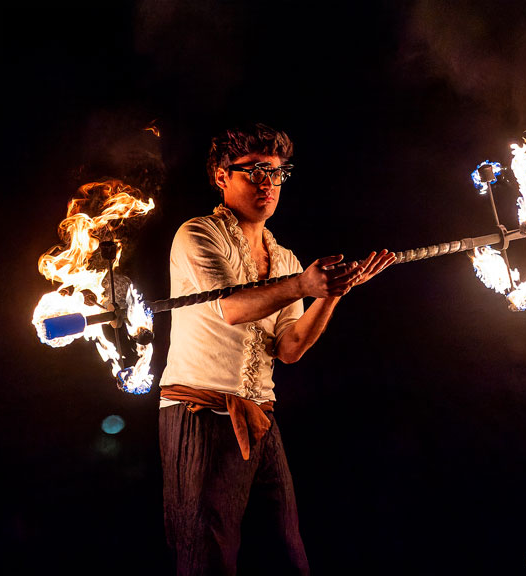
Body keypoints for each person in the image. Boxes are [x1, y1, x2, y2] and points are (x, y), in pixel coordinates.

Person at [158, 123, 395, 575]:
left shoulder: (284, 258)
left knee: (287, 557)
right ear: (222, 177)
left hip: (260, 417)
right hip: (199, 415)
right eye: (252, 172)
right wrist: (305, 284)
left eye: (275, 173)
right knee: (205, 559)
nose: (267, 184)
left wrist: (331, 293)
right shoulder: (198, 235)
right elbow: (230, 308)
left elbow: (289, 348)